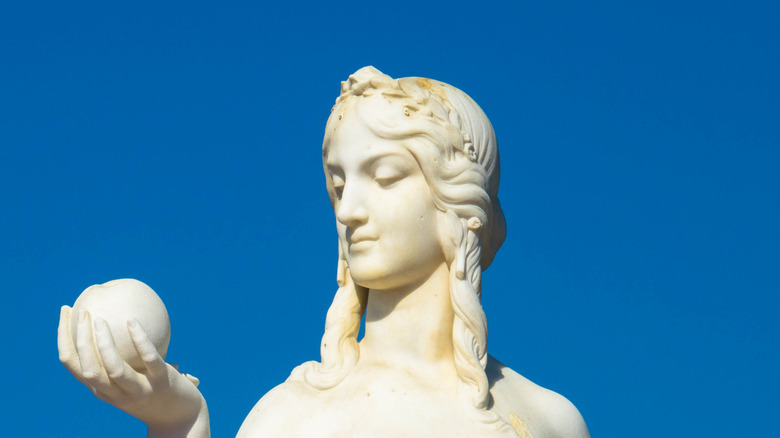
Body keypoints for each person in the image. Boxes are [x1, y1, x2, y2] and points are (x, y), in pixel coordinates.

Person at [58, 66, 589, 438]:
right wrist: (180, 422)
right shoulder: (291, 417)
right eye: (338, 185)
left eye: (385, 177)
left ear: (461, 205)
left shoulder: (551, 420)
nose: (348, 209)